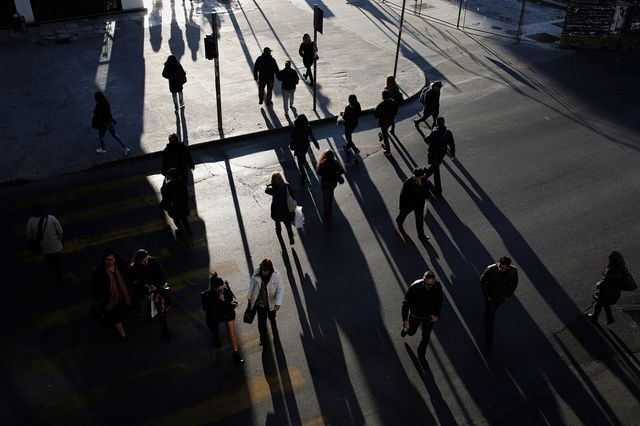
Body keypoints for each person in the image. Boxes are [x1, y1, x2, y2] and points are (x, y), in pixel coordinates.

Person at [201, 273, 244, 364]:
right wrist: (217, 299)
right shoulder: (206, 295)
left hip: (227, 313)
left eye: (222, 287)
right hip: (214, 316)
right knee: (215, 331)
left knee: (232, 334)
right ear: (213, 288)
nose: (222, 290)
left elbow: (231, 298)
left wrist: (231, 302)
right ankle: (216, 336)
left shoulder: (225, 288)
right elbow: (207, 309)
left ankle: (236, 354)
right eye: (219, 289)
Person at [401, 271, 444, 361]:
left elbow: (439, 301)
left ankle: (421, 354)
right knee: (411, 333)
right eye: (427, 284)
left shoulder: (437, 286)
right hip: (415, 315)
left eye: (431, 284)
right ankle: (406, 329)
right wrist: (405, 320)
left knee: (426, 337)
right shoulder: (414, 287)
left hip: (428, 317)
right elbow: (405, 304)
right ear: (423, 280)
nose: (429, 286)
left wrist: (436, 315)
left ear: (434, 281)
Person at [130, 249, 171, 339]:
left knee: (160, 309)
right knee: (146, 305)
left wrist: (155, 286)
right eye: (143, 261)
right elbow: (135, 282)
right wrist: (145, 286)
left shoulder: (153, 261)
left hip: (157, 289)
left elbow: (161, 275)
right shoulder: (135, 268)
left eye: (146, 259)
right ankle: (148, 315)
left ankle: (165, 330)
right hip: (145, 291)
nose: (145, 262)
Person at [92, 250, 133, 341]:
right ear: (104, 260)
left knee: (121, 314)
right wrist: (101, 300)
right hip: (110, 300)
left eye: (112, 259)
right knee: (116, 317)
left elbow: (129, 277)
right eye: (108, 260)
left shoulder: (121, 266)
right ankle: (123, 334)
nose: (110, 261)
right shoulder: (99, 273)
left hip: (123, 297)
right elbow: (97, 288)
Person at [480, 256, 518, 348]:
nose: (500, 268)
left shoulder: (513, 271)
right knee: (490, 321)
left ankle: (487, 313)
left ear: (508, 267)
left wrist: (508, 295)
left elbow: (514, 283)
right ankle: (489, 343)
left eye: (503, 267)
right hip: (491, 297)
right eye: (500, 266)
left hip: (501, 297)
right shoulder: (490, 269)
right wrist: (487, 295)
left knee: (491, 310)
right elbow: (482, 281)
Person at [25, 202, 64, 286]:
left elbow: (28, 236)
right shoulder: (51, 218)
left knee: (48, 259)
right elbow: (60, 232)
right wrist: (59, 240)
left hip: (43, 247)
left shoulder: (30, 221)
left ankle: (51, 270)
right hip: (55, 246)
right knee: (57, 262)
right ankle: (60, 278)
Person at [247, 259, 284, 346]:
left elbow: (280, 289)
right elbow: (251, 285)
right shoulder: (257, 273)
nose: (263, 272)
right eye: (262, 269)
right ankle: (263, 339)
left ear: (270, 269)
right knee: (261, 323)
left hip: (271, 303)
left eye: (265, 270)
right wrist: (249, 297)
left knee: (272, 318)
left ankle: (274, 330)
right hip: (260, 304)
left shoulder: (276, 275)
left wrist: (278, 303)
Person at [586, 251, 629, 325]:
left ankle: (595, 318)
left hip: (607, 291)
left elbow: (604, 282)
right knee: (604, 303)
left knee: (599, 302)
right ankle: (608, 318)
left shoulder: (611, 271)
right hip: (615, 292)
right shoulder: (623, 268)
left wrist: (598, 284)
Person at [423, 116, 456, 199]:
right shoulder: (448, 132)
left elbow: (426, 140)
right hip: (441, 154)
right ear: (444, 123)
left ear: (437, 123)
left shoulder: (434, 132)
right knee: (435, 166)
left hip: (433, 153)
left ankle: (438, 191)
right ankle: (426, 174)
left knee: (436, 172)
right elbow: (452, 144)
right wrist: (452, 155)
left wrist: (432, 131)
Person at [91, 91, 130, 156]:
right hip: (109, 122)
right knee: (115, 135)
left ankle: (103, 149)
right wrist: (112, 120)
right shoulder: (106, 103)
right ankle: (125, 148)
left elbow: (97, 114)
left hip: (103, 124)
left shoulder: (99, 105)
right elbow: (109, 113)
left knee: (101, 136)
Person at [396, 168, 430, 241]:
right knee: (403, 213)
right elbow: (403, 196)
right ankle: (399, 221)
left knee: (420, 220)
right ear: (415, 176)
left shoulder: (424, 180)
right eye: (419, 177)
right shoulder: (407, 183)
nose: (420, 179)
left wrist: (427, 196)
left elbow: (426, 189)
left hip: (419, 204)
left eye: (421, 177)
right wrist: (402, 206)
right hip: (409, 204)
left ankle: (421, 236)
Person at [160, 168, 193, 237]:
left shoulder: (168, 185)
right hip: (183, 205)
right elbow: (186, 194)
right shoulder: (182, 183)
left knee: (176, 219)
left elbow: (165, 195)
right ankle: (188, 229)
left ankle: (180, 229)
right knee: (184, 218)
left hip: (174, 207)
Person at [265, 172, 295, 245]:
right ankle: (291, 237)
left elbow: (266, 190)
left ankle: (279, 233)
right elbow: (293, 195)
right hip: (286, 210)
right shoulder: (286, 186)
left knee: (277, 222)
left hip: (277, 210)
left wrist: (269, 185)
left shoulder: (273, 189)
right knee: (288, 224)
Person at [289, 114, 318, 183]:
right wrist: (316, 144)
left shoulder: (295, 128)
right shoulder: (308, 127)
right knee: (303, 155)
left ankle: (303, 174)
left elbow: (291, 136)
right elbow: (312, 136)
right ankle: (303, 163)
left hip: (298, 146)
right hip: (305, 145)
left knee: (300, 162)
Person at [316, 150, 345, 219]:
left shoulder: (323, 163)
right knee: (331, 193)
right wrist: (335, 174)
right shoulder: (335, 163)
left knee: (325, 196)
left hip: (325, 182)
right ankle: (330, 204)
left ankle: (326, 210)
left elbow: (319, 172)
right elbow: (342, 171)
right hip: (333, 182)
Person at [374, 90, 398, 156]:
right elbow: (396, 112)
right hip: (391, 120)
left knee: (385, 137)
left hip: (383, 122)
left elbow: (376, 115)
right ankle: (383, 134)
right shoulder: (394, 102)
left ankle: (388, 151)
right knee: (386, 130)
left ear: (383, 97)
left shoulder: (380, 105)